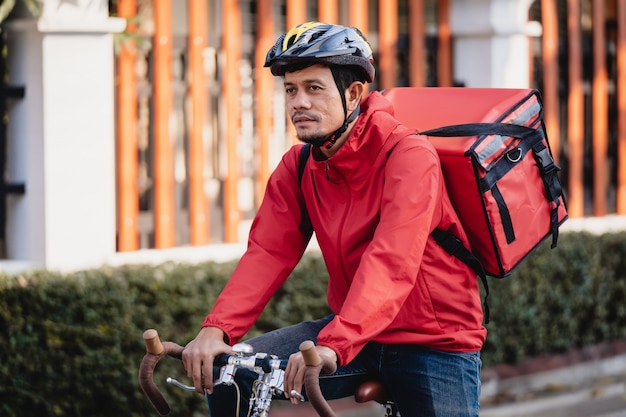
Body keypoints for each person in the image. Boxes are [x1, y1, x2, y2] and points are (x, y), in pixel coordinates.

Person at [182, 21, 486, 417]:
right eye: (290, 90)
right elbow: (267, 253)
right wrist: (216, 331)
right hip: (355, 333)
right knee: (232, 372)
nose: (298, 103)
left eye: (313, 88)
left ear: (354, 93)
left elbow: (391, 261)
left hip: (432, 339)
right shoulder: (301, 164)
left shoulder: (408, 155)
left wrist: (335, 343)